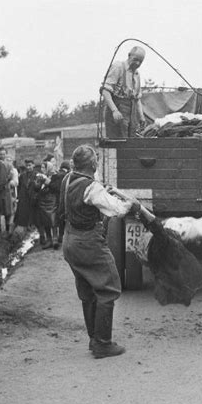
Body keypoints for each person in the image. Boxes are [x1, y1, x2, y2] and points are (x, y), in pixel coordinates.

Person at [59, 145, 140, 358]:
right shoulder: (92, 187)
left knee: (87, 291)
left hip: (70, 240)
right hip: (88, 242)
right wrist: (130, 203)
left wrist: (105, 191)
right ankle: (103, 343)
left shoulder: (67, 179)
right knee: (109, 288)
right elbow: (117, 210)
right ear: (94, 165)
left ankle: (93, 339)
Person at [101, 46, 146, 138]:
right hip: (117, 108)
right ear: (129, 55)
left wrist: (141, 116)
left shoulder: (137, 74)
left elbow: (137, 99)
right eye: (135, 59)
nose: (137, 63)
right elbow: (105, 91)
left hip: (131, 110)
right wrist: (114, 110)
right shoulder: (118, 67)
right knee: (118, 142)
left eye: (140, 62)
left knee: (130, 140)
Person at [33, 160, 58, 249]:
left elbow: (56, 187)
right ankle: (49, 240)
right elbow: (36, 188)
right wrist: (38, 182)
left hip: (51, 200)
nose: (42, 169)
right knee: (45, 220)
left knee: (52, 219)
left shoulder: (55, 176)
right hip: (42, 200)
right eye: (42, 167)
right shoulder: (40, 176)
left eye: (44, 167)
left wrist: (48, 181)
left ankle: (55, 239)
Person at [0, 147, 19, 233]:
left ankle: (7, 229)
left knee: (7, 210)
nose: (2, 156)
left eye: (4, 154)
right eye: (0, 154)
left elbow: (13, 177)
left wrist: (9, 181)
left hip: (6, 190)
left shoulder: (9, 165)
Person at [50, 160, 70, 248]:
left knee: (54, 218)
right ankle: (61, 237)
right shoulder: (68, 176)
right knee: (63, 217)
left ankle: (54, 238)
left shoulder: (55, 176)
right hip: (64, 200)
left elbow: (51, 186)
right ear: (68, 168)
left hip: (55, 199)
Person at [13, 158, 36, 230]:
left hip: (32, 198)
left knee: (32, 214)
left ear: (33, 165)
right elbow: (19, 186)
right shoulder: (22, 176)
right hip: (23, 197)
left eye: (30, 165)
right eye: (27, 166)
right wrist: (18, 197)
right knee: (21, 213)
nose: (28, 167)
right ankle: (21, 227)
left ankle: (31, 226)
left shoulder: (36, 175)